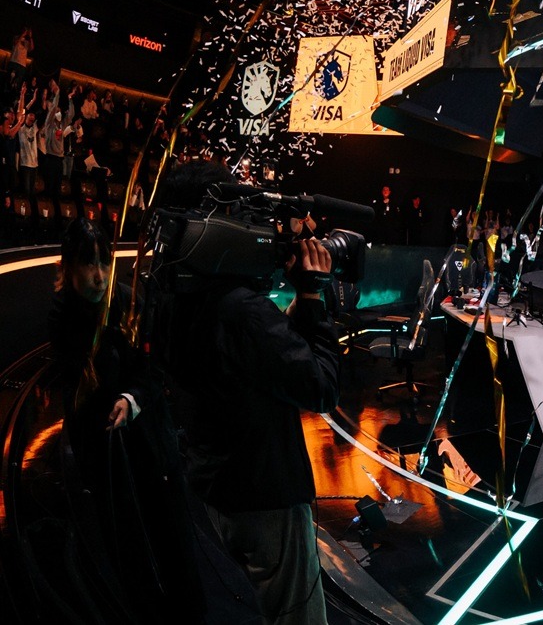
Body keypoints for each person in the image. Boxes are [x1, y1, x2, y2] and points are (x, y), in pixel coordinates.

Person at [155, 159, 340, 625]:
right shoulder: (241, 311)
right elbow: (320, 388)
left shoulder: (174, 295)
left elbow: (260, 363)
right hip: (267, 500)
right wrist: (313, 297)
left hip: (217, 491)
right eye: (236, 214)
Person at [47, 218, 202, 622]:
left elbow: (154, 369)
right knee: (127, 550)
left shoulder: (129, 302)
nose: (100, 276)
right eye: (89, 264)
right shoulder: (63, 316)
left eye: (104, 262)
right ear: (68, 267)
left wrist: (130, 400)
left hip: (149, 445)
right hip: (106, 457)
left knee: (173, 539)